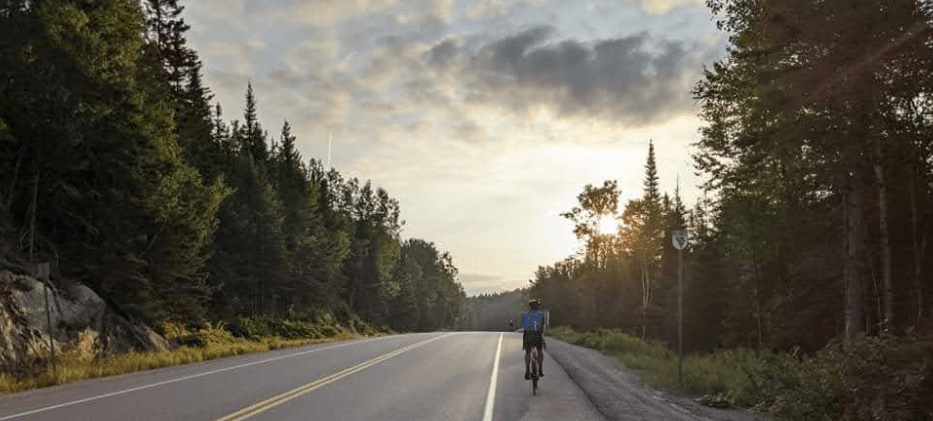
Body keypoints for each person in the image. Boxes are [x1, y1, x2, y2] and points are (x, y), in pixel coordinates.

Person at [521, 298, 545, 380]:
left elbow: (524, 327)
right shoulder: (541, 315)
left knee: (528, 352)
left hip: (528, 336)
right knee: (539, 351)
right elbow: (541, 328)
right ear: (537, 307)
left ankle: (527, 370)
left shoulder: (525, 315)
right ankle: (540, 369)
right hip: (537, 335)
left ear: (530, 307)